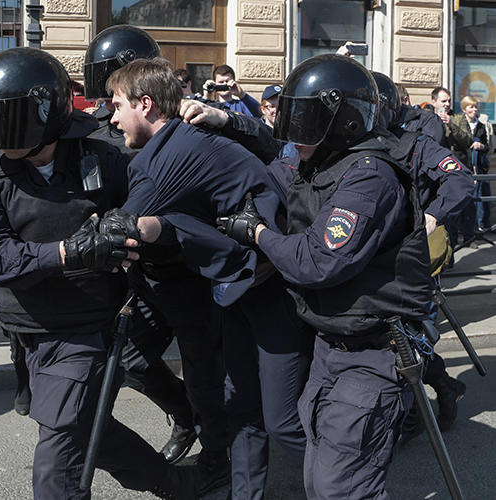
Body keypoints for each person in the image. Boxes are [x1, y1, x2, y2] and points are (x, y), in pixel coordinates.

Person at [0, 46, 198, 500]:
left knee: (60, 455)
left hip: (88, 329)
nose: (3, 142)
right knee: (87, 425)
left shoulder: (103, 160)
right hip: (28, 332)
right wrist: (68, 252)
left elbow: (157, 212)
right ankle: (174, 482)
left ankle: (175, 476)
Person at [219, 54, 432, 499]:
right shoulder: (317, 163)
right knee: (318, 481)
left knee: (342, 488)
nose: (296, 137)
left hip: (373, 353)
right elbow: (270, 169)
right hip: (329, 347)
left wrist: (257, 233)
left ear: (340, 123)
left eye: (305, 122)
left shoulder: (370, 178)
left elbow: (317, 261)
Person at [103, 57, 312, 499]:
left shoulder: (167, 159)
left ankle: (352, 478)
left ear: (146, 104)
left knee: (283, 423)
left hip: (272, 291)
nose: (111, 116)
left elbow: (122, 226)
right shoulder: (183, 139)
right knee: (243, 412)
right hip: (236, 292)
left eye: (117, 105)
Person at [83, 24, 206, 470]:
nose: (109, 104)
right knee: (133, 360)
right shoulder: (95, 130)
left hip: (191, 268)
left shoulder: (187, 121)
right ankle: (184, 415)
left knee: (203, 367)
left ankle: (218, 454)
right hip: (140, 269)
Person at [374, 72, 471, 435]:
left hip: (412, 251)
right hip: (375, 250)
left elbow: (456, 179)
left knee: (410, 335)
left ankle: (437, 392)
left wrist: (431, 217)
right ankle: (419, 402)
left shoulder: (418, 133)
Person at [452, 96, 490, 232]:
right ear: (464, 109)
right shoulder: (459, 124)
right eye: (471, 107)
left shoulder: (480, 125)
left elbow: (487, 147)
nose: (474, 109)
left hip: (478, 167)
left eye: (475, 106)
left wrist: (481, 146)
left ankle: (476, 229)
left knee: (477, 200)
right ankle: (460, 231)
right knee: (463, 199)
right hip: (463, 165)